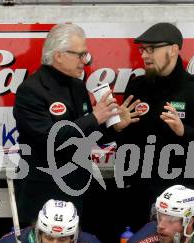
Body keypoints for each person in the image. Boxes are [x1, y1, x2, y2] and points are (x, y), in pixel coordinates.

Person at [13, 23, 137, 225]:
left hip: (77, 186)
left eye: (85, 55)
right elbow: (49, 139)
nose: (84, 62)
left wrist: (113, 126)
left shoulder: (78, 86)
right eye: (80, 55)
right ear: (58, 55)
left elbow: (88, 135)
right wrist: (94, 118)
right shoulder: (31, 90)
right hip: (43, 188)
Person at [113, 22, 194, 227]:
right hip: (138, 195)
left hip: (182, 197)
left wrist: (184, 132)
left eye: (152, 49)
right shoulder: (137, 86)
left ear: (174, 50)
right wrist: (119, 128)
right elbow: (124, 142)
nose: (145, 55)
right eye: (142, 49)